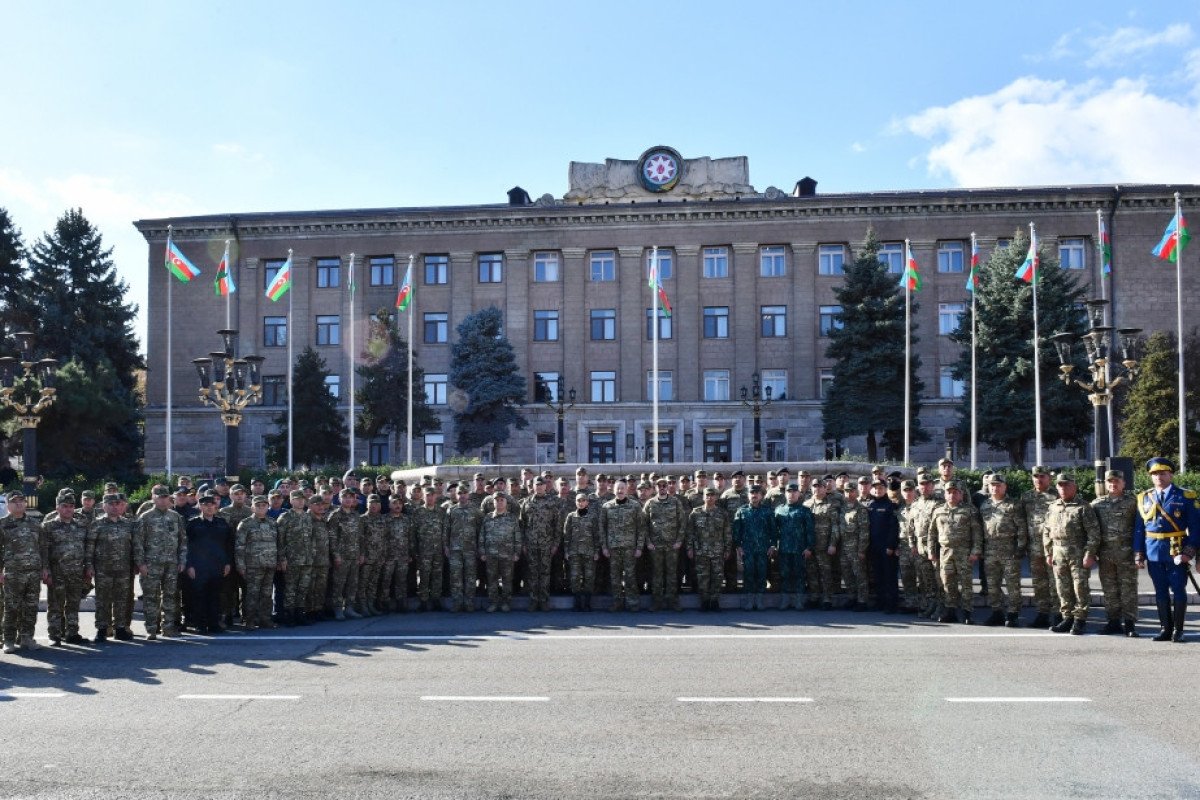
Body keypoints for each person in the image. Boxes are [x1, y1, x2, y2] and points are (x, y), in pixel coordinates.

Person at [1133, 457, 1200, 642]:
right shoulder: (1144, 498)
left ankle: (1178, 630)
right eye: (1155, 474)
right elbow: (1139, 529)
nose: (1159, 477)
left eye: (1163, 473)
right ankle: (1165, 629)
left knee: (1178, 589)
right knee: (1160, 590)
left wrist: (1188, 553)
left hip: (1177, 551)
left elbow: (1196, 528)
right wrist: (1139, 554)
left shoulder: (1185, 496)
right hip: (1153, 552)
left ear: (1171, 475)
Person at [1043, 474, 1101, 635]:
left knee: (1080, 587)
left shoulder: (1083, 507)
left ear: (1074, 487)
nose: (1063, 488)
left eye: (1067, 485)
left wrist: (1090, 554)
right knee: (1062, 587)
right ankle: (1067, 617)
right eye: (1060, 485)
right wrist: (1048, 552)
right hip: (1058, 551)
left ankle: (1079, 620)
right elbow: (1046, 530)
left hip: (1078, 552)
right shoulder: (1053, 506)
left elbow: (1094, 533)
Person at [1091, 470, 1139, 636]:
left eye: (1117, 481)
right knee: (1109, 589)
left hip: (1127, 554)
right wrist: (1092, 552)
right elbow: (1092, 530)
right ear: (1105, 484)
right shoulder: (1096, 504)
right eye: (1110, 481)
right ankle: (1113, 622)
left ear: (1123, 483)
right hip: (1105, 555)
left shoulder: (1133, 502)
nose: (1113, 484)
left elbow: (1140, 527)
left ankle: (1130, 624)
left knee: (1128, 589)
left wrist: (1139, 552)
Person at [135, 485, 187, 639]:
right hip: (151, 564)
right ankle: (151, 628)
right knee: (151, 597)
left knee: (170, 596)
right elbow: (138, 543)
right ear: (153, 498)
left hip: (171, 563)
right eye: (159, 497)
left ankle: (168, 627)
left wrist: (182, 560)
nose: (163, 500)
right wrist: (141, 563)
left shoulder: (175, 517)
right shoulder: (145, 517)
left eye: (165, 497)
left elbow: (182, 540)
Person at [929, 480, 981, 624]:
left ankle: (967, 612)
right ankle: (950, 611)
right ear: (945, 494)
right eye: (949, 492)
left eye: (955, 492)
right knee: (947, 583)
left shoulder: (970, 510)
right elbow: (932, 533)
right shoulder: (938, 510)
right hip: (945, 552)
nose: (952, 495)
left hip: (964, 552)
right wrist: (931, 551)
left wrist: (975, 551)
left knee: (966, 583)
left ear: (961, 494)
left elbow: (977, 532)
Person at [42, 490, 90, 645]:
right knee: (55, 605)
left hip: (76, 572)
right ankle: (55, 635)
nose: (68, 509)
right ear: (57, 507)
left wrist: (88, 568)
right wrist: (46, 571)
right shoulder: (48, 527)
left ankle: (72, 633)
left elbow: (87, 549)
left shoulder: (81, 526)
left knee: (73, 604)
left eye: (71, 506)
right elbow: (44, 551)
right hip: (57, 573)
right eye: (64, 506)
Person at [88, 493, 138, 642]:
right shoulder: (96, 524)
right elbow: (90, 547)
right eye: (111, 504)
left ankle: (120, 628)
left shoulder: (128, 524)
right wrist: (89, 565)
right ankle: (102, 629)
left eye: (117, 504)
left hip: (123, 569)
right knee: (102, 601)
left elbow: (134, 547)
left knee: (121, 600)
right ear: (104, 506)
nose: (115, 507)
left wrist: (136, 563)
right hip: (103, 569)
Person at [1, 490, 46, 653]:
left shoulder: (35, 524)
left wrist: (45, 568)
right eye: (14, 501)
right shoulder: (2, 524)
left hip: (33, 573)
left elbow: (43, 547)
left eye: (21, 500)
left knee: (31, 607)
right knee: (11, 607)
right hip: (13, 573)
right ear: (8, 505)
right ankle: (9, 640)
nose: (19, 503)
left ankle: (27, 638)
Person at [978, 474, 1026, 627]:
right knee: (992, 585)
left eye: (998, 485)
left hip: (1009, 549)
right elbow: (981, 529)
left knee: (1012, 585)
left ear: (1005, 487)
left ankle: (1013, 614)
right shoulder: (985, 505)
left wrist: (1020, 548)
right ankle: (996, 612)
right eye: (992, 485)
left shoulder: (1013, 505)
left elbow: (1022, 528)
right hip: (990, 549)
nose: (995, 488)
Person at [185, 495, 233, 634]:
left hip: (217, 566)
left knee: (215, 596)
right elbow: (186, 546)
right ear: (200, 506)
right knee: (199, 596)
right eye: (206, 505)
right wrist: (189, 565)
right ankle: (200, 625)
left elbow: (228, 545)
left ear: (216, 506)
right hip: (198, 567)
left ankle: (214, 624)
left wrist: (228, 563)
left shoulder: (222, 523)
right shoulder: (193, 524)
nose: (209, 507)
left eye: (212, 504)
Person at [235, 496, 283, 629]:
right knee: (252, 594)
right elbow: (239, 546)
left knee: (267, 594)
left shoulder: (273, 523)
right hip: (253, 565)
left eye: (264, 505)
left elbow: (278, 543)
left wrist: (280, 560)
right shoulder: (246, 523)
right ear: (252, 508)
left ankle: (265, 619)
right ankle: (249, 620)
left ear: (268, 507)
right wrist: (240, 565)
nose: (261, 508)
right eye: (258, 505)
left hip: (270, 564)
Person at [643, 477, 687, 612]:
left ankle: (673, 601)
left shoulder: (675, 502)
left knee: (672, 574)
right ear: (655, 488)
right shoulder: (650, 503)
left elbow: (682, 522)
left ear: (667, 487)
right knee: (657, 574)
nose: (662, 487)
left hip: (672, 545)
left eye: (664, 485)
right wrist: (648, 542)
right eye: (659, 485)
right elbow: (644, 524)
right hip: (655, 546)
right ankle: (656, 602)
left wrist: (679, 540)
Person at [686, 488, 731, 612]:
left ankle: (714, 601)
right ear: (703, 497)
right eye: (707, 495)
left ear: (716, 497)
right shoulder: (695, 513)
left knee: (717, 577)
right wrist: (689, 548)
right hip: (701, 551)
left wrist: (727, 549)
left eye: (712, 495)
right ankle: (705, 601)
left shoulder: (722, 513)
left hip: (718, 551)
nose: (709, 497)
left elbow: (727, 533)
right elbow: (690, 532)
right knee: (702, 577)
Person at [520, 477, 561, 611]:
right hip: (531, 543)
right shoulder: (526, 502)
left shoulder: (552, 503)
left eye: (541, 484)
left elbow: (557, 525)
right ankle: (533, 601)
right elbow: (522, 525)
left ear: (545, 486)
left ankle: (543, 601)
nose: (539, 487)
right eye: (536, 484)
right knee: (532, 573)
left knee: (545, 573)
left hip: (547, 544)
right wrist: (523, 544)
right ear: (533, 486)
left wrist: (555, 544)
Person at [733, 485, 776, 610]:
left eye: (757, 493)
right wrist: (738, 546)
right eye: (752, 493)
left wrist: (773, 545)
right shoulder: (741, 511)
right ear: (748, 495)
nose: (754, 495)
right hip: (747, 549)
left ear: (761, 496)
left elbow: (773, 530)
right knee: (748, 573)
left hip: (763, 548)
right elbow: (736, 530)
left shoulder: (767, 511)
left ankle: (760, 600)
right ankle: (749, 600)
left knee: (762, 573)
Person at [774, 482, 814, 610]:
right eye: (789, 491)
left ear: (798, 494)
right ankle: (785, 600)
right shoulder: (779, 510)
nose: (791, 494)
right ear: (785, 493)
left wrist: (809, 547)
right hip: (783, 549)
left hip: (799, 549)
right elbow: (774, 531)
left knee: (799, 575)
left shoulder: (805, 511)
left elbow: (810, 531)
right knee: (784, 575)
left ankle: (799, 601)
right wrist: (773, 545)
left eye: (794, 491)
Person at [480, 493, 520, 612]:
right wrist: (482, 552)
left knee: (507, 580)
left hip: (507, 555)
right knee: (492, 580)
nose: (499, 502)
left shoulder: (512, 518)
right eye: (497, 500)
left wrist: (517, 552)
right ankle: (493, 603)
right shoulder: (487, 518)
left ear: (506, 503)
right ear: (493, 503)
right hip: (491, 554)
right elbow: (482, 536)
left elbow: (517, 536)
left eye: (502, 500)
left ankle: (506, 603)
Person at [446, 483, 482, 612]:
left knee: (470, 577)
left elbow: (481, 531)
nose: (462, 495)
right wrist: (446, 546)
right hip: (455, 549)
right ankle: (457, 603)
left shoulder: (476, 510)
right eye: (459, 493)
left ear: (468, 494)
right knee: (456, 576)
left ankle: (469, 603)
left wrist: (480, 547)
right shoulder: (451, 510)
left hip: (471, 549)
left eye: (464, 493)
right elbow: (447, 530)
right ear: (456, 495)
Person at [866, 479, 901, 613]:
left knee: (889, 576)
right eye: (875, 488)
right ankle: (880, 602)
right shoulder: (870, 505)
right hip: (874, 547)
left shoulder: (891, 506)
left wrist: (891, 546)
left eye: (880, 488)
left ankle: (891, 604)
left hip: (886, 547)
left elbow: (894, 527)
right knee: (878, 576)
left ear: (885, 489)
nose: (877, 490)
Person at [563, 492, 601, 611]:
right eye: (578, 501)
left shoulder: (593, 517)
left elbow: (596, 535)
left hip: (589, 552)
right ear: (575, 502)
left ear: (587, 502)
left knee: (589, 577)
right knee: (575, 577)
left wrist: (596, 551)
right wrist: (566, 551)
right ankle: (578, 603)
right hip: (574, 552)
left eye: (583, 500)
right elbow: (566, 535)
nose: (581, 503)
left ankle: (587, 604)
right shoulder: (571, 516)